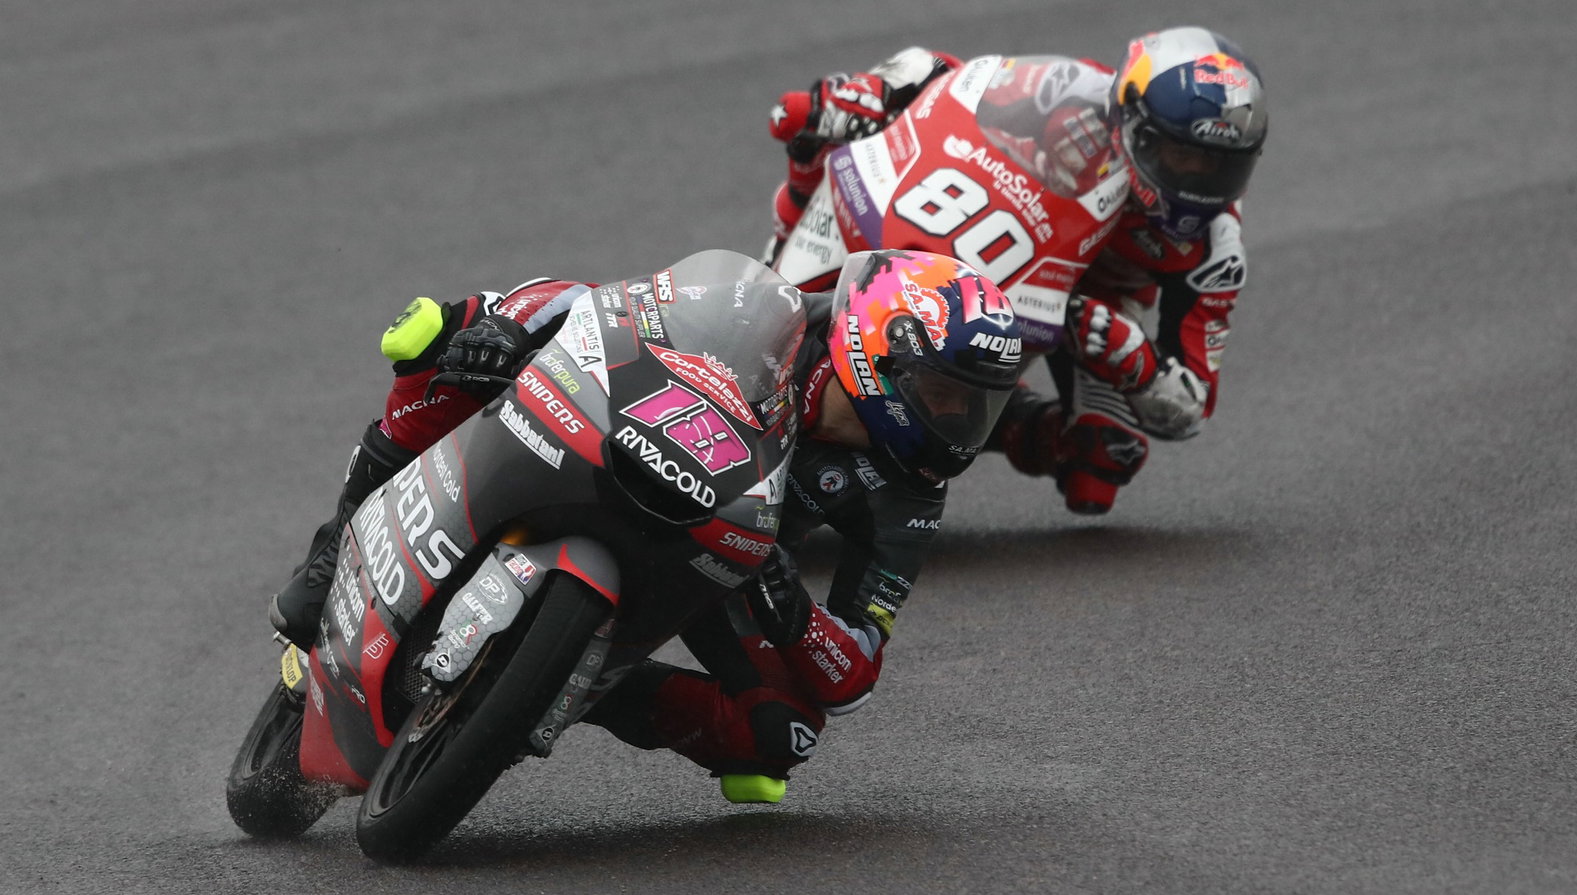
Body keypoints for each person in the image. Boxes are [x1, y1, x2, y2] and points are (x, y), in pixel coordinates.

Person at [269, 249, 1024, 803]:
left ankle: (563, 688)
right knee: (441, 335)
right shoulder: (778, 317)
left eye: (976, 409)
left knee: (779, 733)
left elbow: (854, 672)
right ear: (877, 354)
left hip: (727, 564)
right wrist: (506, 329)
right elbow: (609, 305)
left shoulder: (911, 495)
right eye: (946, 395)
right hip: (623, 436)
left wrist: (792, 609)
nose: (959, 428)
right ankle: (331, 552)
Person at [763, 26, 1269, 514]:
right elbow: (955, 78)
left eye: (1221, 166)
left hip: (1088, 316)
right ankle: (778, 262)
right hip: (1001, 250)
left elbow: (1192, 408)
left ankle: (1008, 426)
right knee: (819, 170)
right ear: (1131, 123)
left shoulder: (1215, 251)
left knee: (1102, 454)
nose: (1198, 183)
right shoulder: (1078, 99)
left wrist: (1132, 357)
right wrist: (874, 91)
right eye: (1182, 156)